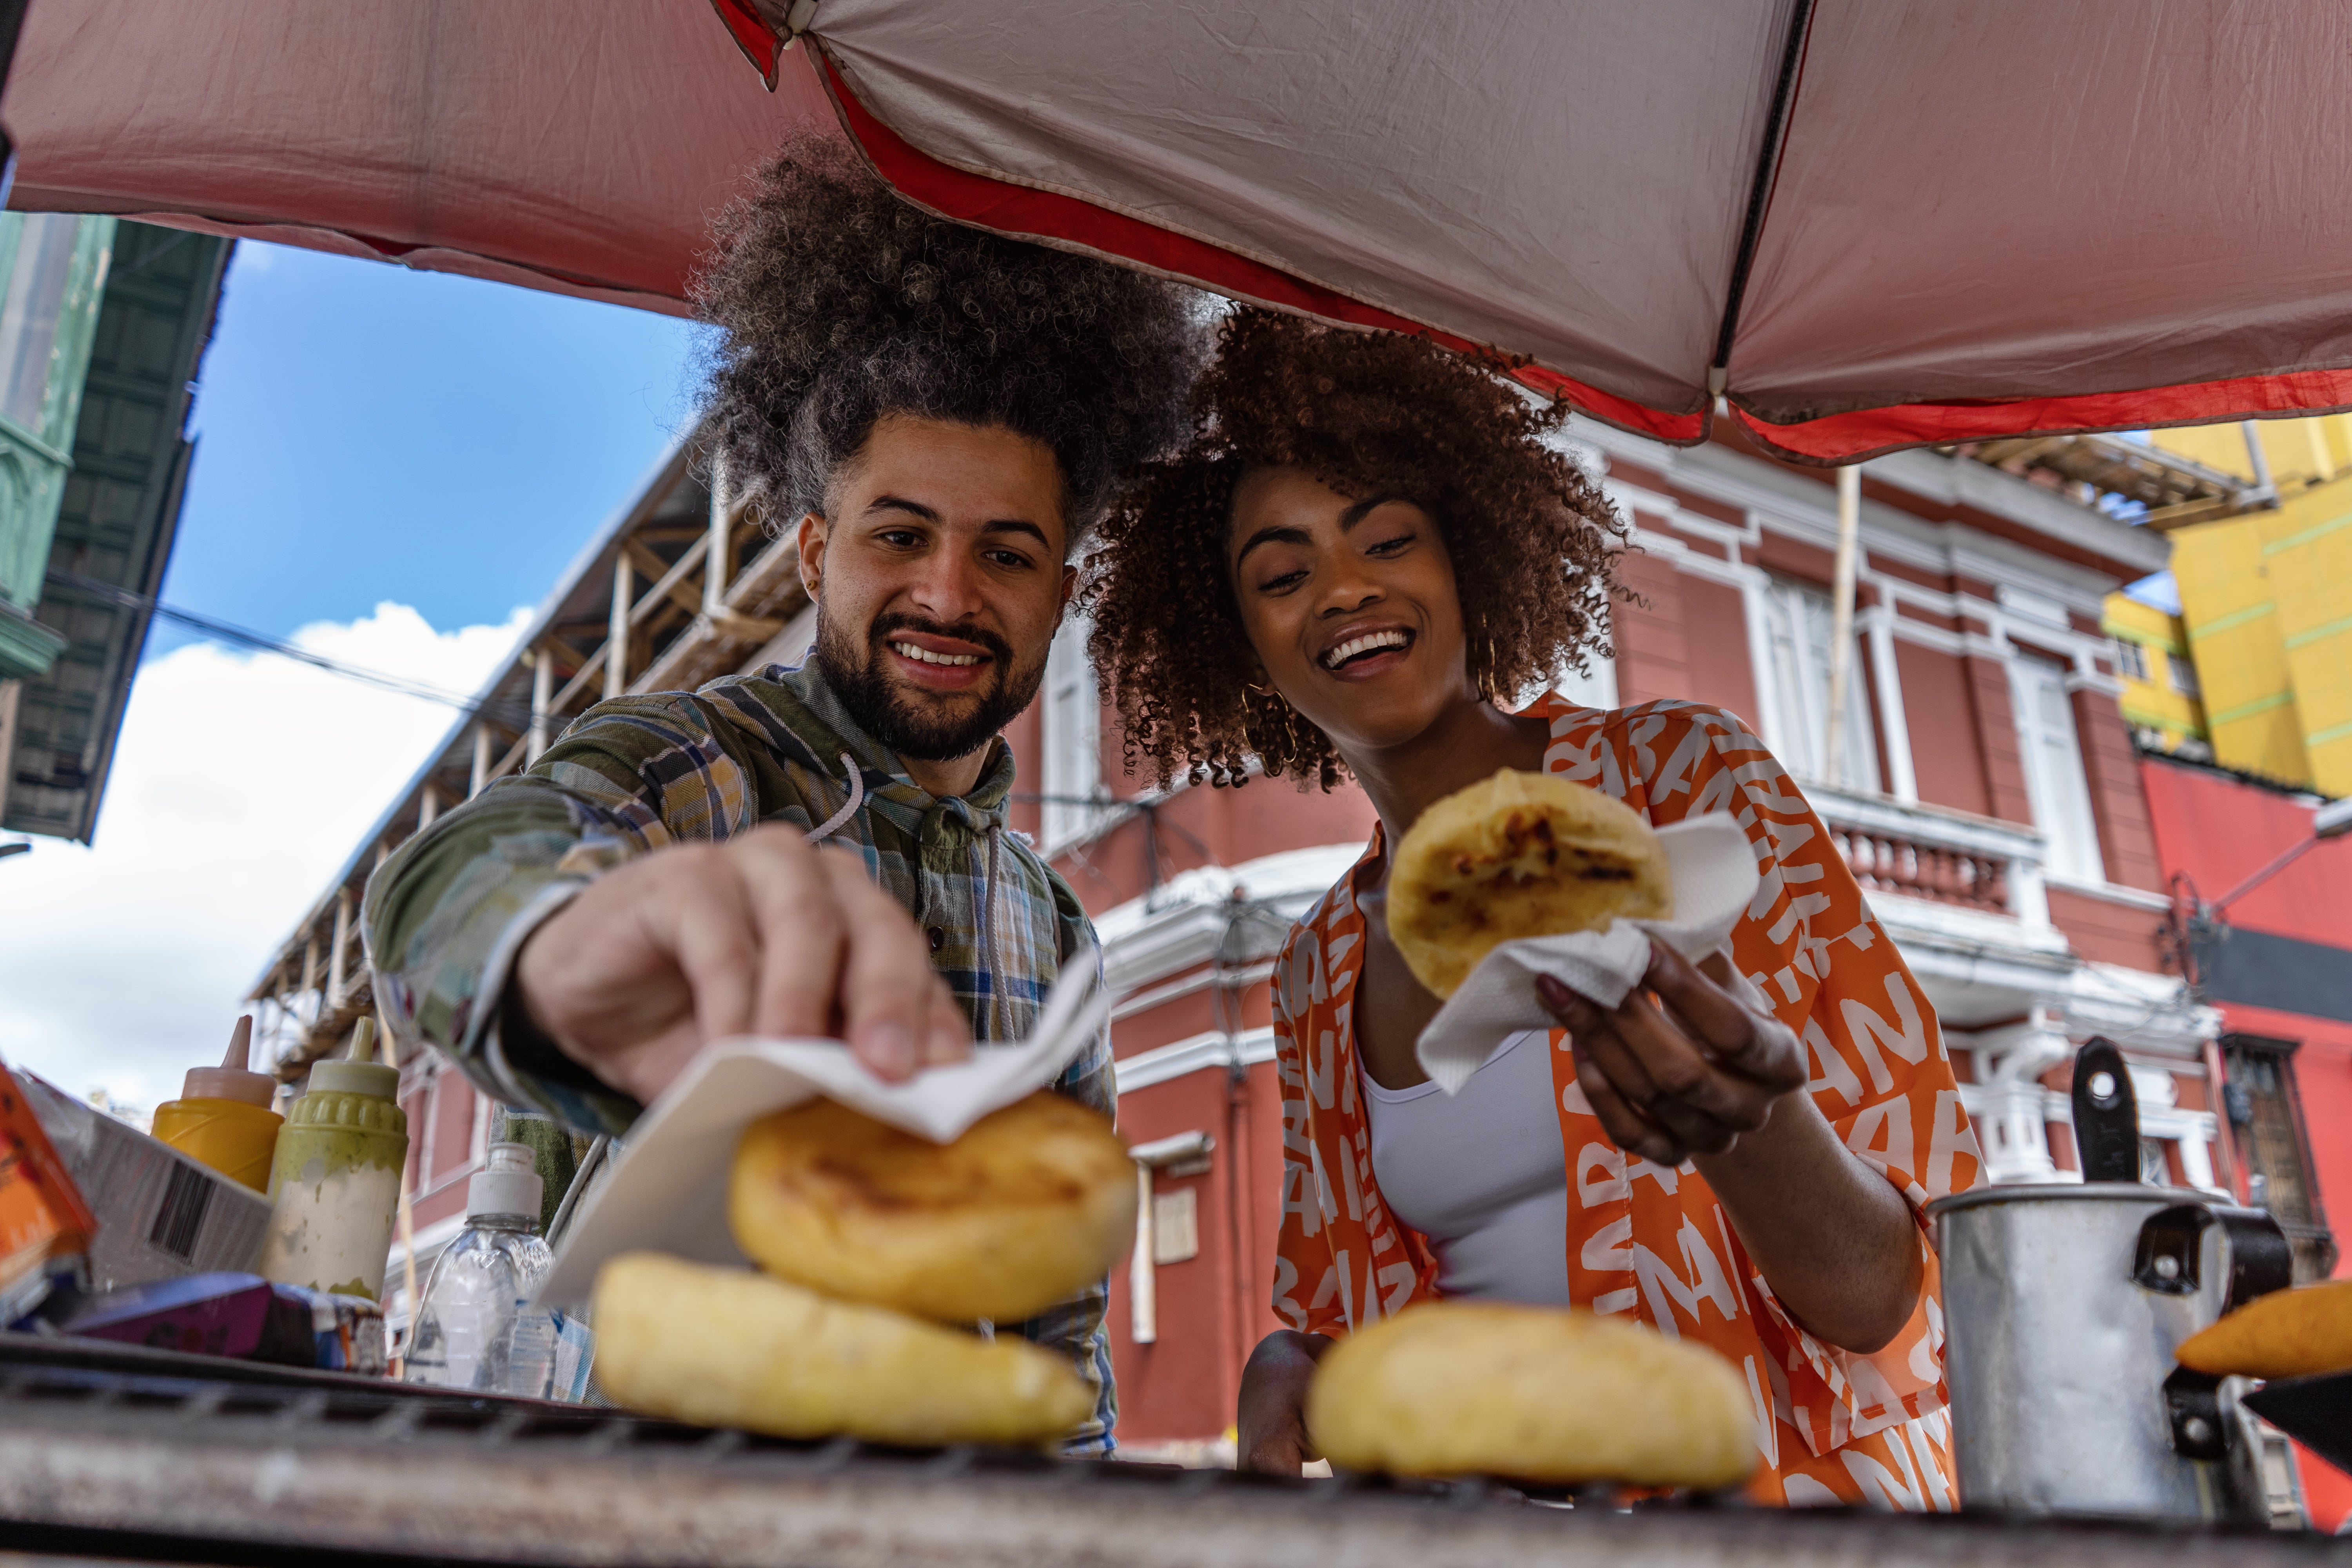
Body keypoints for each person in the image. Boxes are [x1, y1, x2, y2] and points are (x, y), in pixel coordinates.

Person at [363, 133, 1202, 1452]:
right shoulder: (702, 763)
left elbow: (1058, 1319)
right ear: (815, 553)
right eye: (900, 534)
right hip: (647, 1510)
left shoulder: (1058, 933)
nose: (947, 594)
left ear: (1062, 595)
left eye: (1009, 553)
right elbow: (451, 882)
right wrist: (544, 941)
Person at [1082, 310, 1982, 1504]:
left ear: (1467, 557)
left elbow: (1893, 1302)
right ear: (1246, 649)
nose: (1345, 589)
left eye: (1386, 538)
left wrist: (1750, 1130)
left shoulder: (1687, 790)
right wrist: (1297, 1359)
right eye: (1284, 574)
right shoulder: (1319, 968)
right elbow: (1359, 1318)